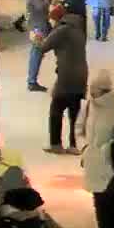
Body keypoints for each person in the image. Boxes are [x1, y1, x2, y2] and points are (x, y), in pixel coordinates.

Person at [79, 70, 114, 228]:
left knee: (110, 204)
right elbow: (79, 128)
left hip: (108, 165)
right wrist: (85, 148)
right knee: (98, 203)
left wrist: (106, 149)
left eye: (95, 88)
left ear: (104, 91)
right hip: (92, 162)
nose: (91, 91)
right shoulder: (88, 107)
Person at [35, 9, 88, 154]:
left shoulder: (61, 30)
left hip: (67, 75)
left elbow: (43, 47)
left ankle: (56, 144)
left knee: (56, 109)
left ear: (56, 19)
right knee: (75, 111)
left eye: (51, 20)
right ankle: (74, 145)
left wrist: (37, 38)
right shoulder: (78, 28)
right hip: (81, 75)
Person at [23, 0, 50, 92]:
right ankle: (32, 81)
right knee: (36, 54)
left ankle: (32, 80)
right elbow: (41, 8)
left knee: (36, 53)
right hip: (38, 27)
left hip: (35, 26)